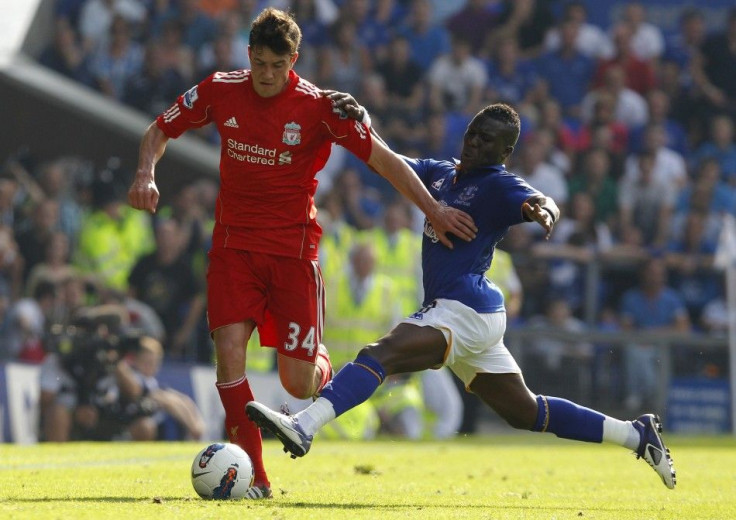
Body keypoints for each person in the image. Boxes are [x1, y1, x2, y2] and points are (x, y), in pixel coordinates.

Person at [126, 7, 476, 500]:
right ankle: (254, 478)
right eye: (260, 63)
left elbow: (384, 160)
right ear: (249, 55)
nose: (268, 75)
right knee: (229, 356)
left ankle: (321, 361)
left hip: (292, 254)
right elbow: (158, 129)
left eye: (278, 65)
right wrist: (146, 172)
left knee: (299, 385)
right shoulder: (220, 89)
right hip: (233, 247)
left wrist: (435, 210)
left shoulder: (320, 107)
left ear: (295, 59)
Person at [246, 100, 677, 490]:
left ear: (503, 153)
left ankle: (304, 425)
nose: (474, 143)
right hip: (470, 313)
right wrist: (361, 122)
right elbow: (386, 163)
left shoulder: (497, 184)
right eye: (472, 132)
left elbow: (537, 199)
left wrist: (543, 209)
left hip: (463, 307)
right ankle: (636, 434)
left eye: (486, 140)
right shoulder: (440, 173)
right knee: (524, 412)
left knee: (382, 352)